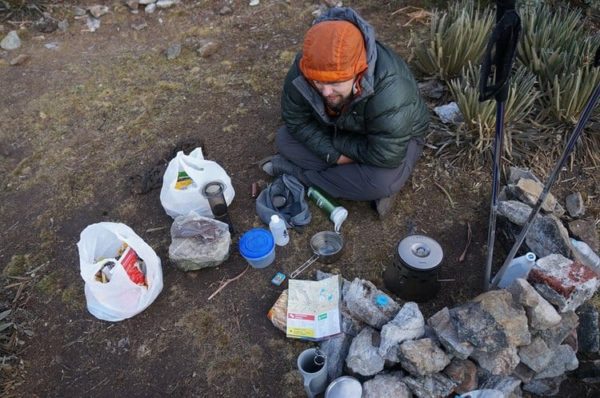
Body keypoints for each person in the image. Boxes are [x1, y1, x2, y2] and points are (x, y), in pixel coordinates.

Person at [260, 7, 430, 217]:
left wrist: (337, 150)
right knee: (285, 139)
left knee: (382, 182)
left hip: (393, 140)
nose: (325, 91)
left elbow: (386, 154)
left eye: (335, 83)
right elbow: (295, 119)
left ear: (358, 72)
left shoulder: (391, 87)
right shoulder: (305, 67)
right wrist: (335, 155)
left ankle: (297, 173)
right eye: (318, 82)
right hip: (339, 130)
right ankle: (349, 181)